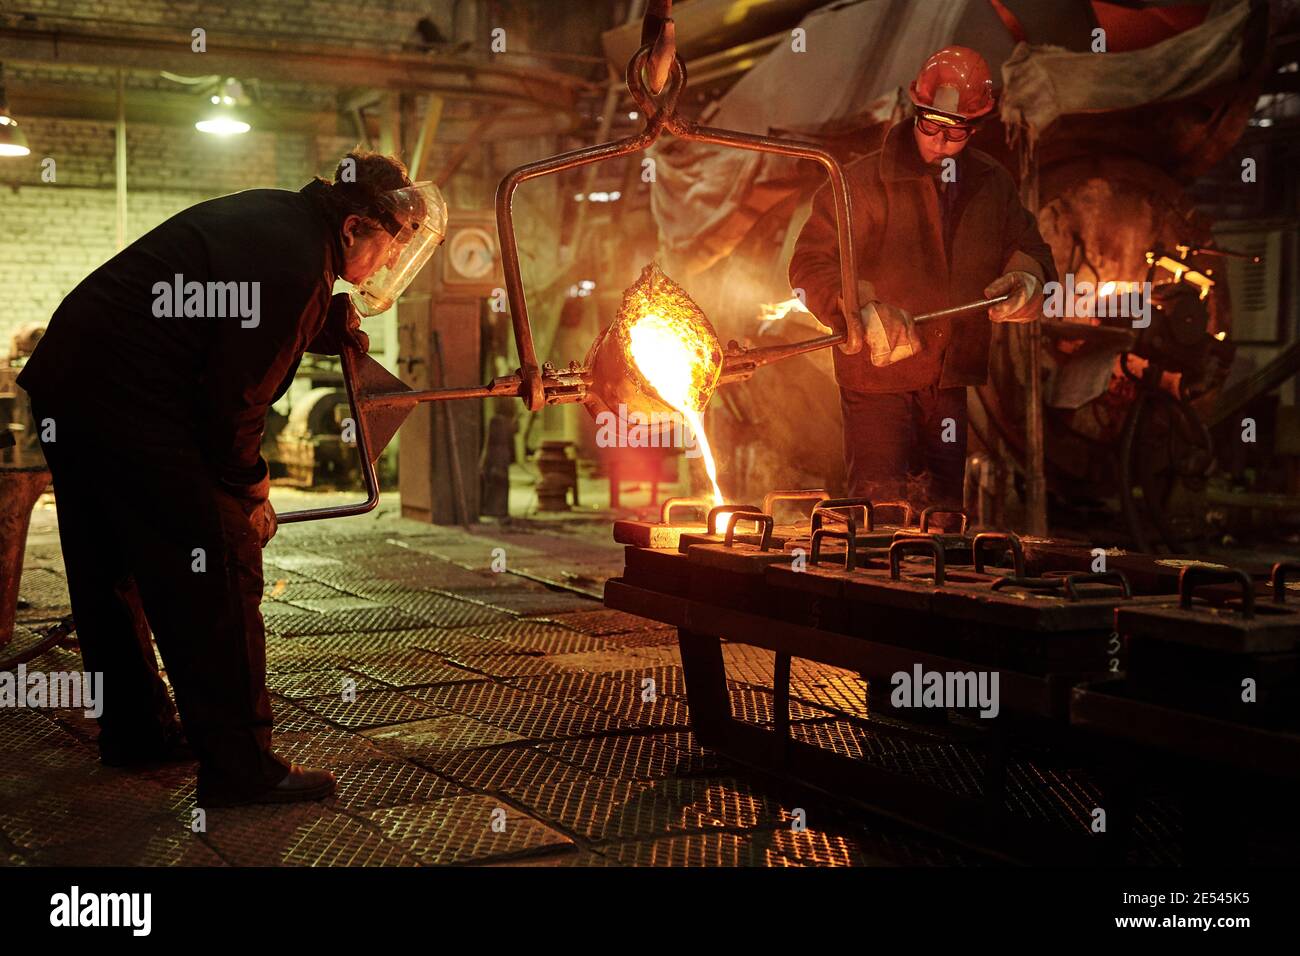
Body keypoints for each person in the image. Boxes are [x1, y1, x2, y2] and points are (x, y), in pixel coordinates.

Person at [17, 150, 448, 807]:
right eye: (390, 247)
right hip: (129, 401)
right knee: (218, 562)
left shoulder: (285, 223)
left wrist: (314, 326)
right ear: (357, 226)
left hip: (73, 385)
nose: (390, 263)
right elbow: (233, 408)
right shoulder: (298, 263)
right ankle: (241, 766)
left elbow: (223, 323)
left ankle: (136, 732)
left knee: (109, 568)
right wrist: (250, 492)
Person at [790, 46, 1056, 511]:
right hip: (876, 382)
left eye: (954, 131)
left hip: (948, 380)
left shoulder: (992, 185)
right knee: (880, 513)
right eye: (930, 125)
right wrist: (860, 308)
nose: (939, 141)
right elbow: (810, 265)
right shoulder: (859, 183)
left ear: (974, 127)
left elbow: (1033, 251)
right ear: (916, 111)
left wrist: (1026, 280)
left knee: (942, 518)